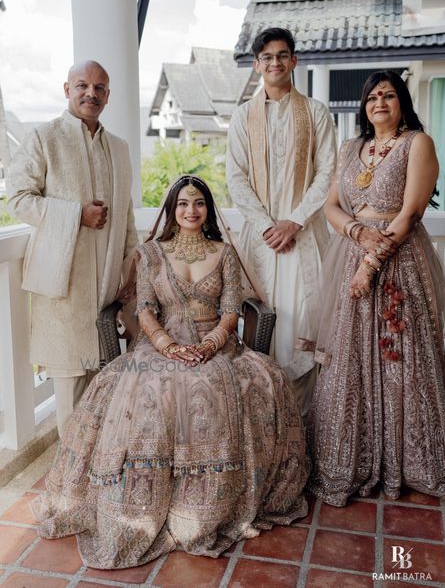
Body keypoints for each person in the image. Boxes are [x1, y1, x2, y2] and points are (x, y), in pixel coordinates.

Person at [32, 175, 310, 569]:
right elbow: (144, 308)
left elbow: (232, 309)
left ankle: (211, 506)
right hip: (162, 343)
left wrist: (211, 344)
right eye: (182, 204)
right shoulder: (151, 253)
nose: (191, 210)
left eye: (198, 203)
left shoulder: (225, 252)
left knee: (256, 379)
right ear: (172, 209)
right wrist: (168, 345)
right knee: (144, 392)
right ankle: (147, 505)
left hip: (217, 342)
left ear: (208, 209)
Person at [303, 70, 445, 506]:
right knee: (350, 357)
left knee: (402, 357)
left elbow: (412, 212)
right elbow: (330, 206)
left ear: (402, 101)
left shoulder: (417, 143)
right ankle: (353, 458)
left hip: (398, 258)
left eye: (388, 95)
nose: (379, 103)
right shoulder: (352, 148)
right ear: (364, 107)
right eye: (372, 98)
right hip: (352, 250)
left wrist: (371, 263)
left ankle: (408, 462)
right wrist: (355, 233)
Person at [7, 60, 138, 436]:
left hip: (107, 291)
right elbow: (17, 198)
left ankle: (97, 475)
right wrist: (75, 215)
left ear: (108, 96)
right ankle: (70, 482)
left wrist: (130, 279)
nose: (90, 94)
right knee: (69, 391)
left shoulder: (119, 148)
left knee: (104, 390)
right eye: (82, 85)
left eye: (99, 88)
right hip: (64, 292)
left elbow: (126, 217)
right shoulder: (44, 138)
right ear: (67, 90)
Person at [226, 27, 336, 413]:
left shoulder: (316, 112)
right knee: (263, 325)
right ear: (257, 64)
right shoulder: (242, 117)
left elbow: (327, 173)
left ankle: (307, 432)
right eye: (267, 57)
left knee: (305, 323)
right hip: (262, 241)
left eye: (282, 55)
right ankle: (268, 430)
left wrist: (294, 221)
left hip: (305, 238)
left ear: (294, 61)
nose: (275, 62)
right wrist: (268, 225)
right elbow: (235, 178)